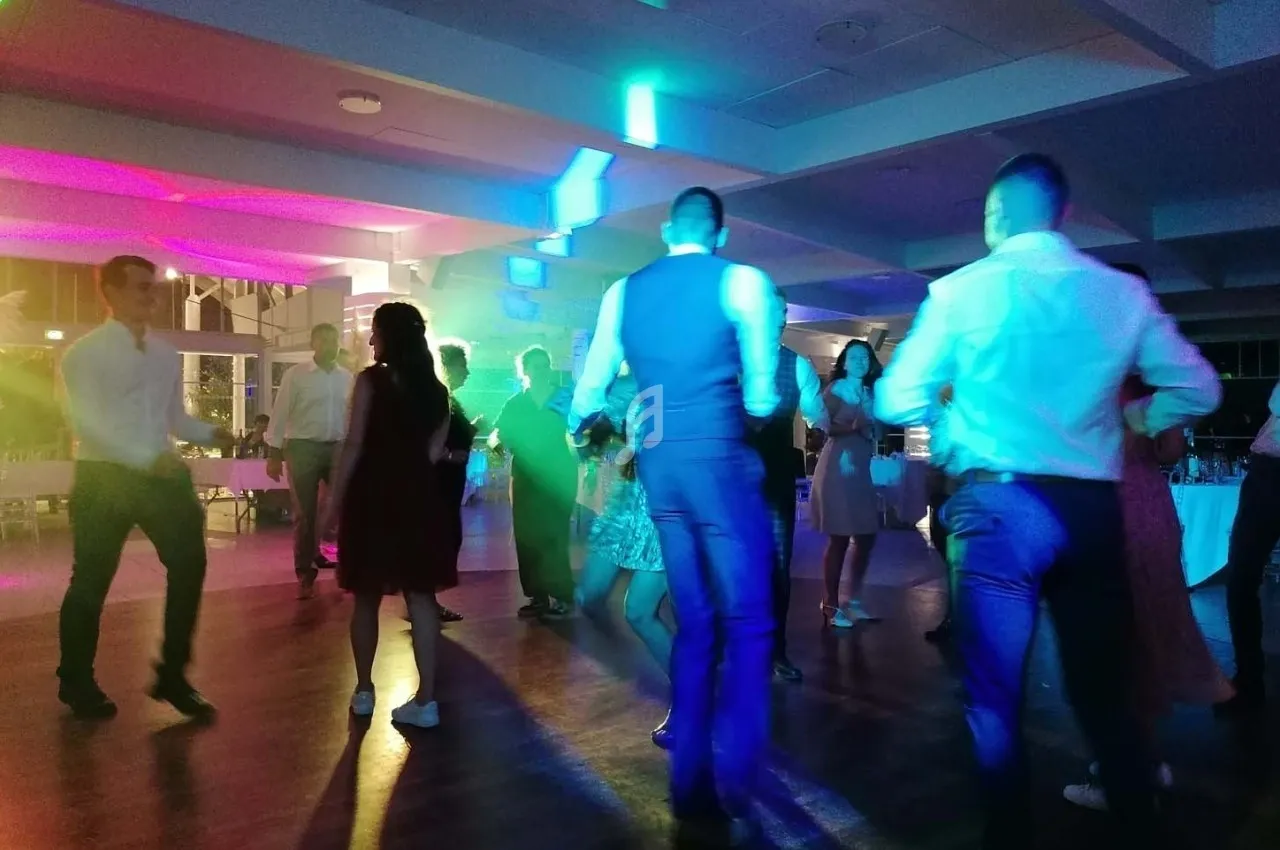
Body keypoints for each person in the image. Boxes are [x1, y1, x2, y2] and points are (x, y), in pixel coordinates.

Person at [875, 154, 1221, 849]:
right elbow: (1201, 389)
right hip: (1090, 508)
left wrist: (949, 435)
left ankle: (1008, 837)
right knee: (1104, 695)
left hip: (998, 508)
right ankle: (1141, 828)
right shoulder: (1119, 292)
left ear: (994, 215)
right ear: (1062, 213)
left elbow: (896, 398)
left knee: (994, 700)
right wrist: (1136, 418)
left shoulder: (960, 291)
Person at [570, 186, 782, 843]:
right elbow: (764, 399)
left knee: (693, 622)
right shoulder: (742, 280)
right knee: (749, 621)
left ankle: (690, 783)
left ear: (666, 230)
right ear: (721, 234)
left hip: (660, 467)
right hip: (717, 460)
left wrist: (591, 430)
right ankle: (738, 778)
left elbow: (587, 393)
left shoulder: (622, 291)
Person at [57, 255, 230, 720]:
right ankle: (75, 680)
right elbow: (86, 426)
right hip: (104, 477)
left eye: (153, 287)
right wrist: (145, 459)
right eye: (141, 287)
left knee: (189, 564)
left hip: (160, 476)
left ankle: (172, 675)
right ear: (110, 292)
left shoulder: (165, 355)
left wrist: (211, 433)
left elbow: (175, 419)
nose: (151, 296)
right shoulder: (83, 354)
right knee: (91, 580)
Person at [326, 302, 454, 728]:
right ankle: (427, 700)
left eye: (375, 331)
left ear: (389, 335)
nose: (370, 340)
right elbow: (433, 454)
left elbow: (354, 444)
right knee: (421, 597)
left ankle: (364, 690)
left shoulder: (371, 381)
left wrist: (332, 503)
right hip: (418, 498)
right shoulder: (437, 392)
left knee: (366, 596)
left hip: (372, 498)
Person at [573, 370, 673, 748]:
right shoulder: (626, 386)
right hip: (625, 504)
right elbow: (591, 441)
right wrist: (583, 434)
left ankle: (691, 697)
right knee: (588, 596)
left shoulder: (687, 379)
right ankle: (644, 661)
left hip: (667, 509)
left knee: (640, 611)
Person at [745, 290, 828, 679]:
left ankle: (775, 650)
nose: (780, 319)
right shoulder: (728, 360)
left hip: (775, 474)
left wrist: (825, 429)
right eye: (772, 312)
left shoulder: (797, 365)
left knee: (777, 565)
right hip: (729, 477)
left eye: (783, 313)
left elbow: (817, 416)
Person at [265, 323, 353, 599]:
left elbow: (351, 414)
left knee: (342, 508)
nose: (330, 346)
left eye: (334, 340)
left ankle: (345, 568)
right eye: (323, 340)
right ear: (313, 343)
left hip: (337, 447)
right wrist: (274, 453)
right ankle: (305, 573)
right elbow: (280, 413)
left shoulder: (347, 377)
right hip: (302, 447)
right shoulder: (296, 375)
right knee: (305, 512)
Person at [490, 346, 577, 620]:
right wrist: (496, 445)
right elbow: (499, 435)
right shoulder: (516, 403)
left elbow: (583, 429)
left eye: (545, 365)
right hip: (526, 477)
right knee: (527, 536)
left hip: (558, 475)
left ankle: (562, 595)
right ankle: (538, 596)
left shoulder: (564, 398)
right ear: (524, 370)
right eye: (535, 366)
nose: (541, 371)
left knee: (555, 533)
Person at [810, 339, 883, 627]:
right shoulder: (836, 390)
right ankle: (830, 603)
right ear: (843, 362)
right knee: (839, 537)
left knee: (867, 536)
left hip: (861, 469)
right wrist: (855, 426)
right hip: (838, 468)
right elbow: (823, 427)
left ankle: (854, 600)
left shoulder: (870, 393)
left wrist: (871, 428)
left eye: (865, 357)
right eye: (854, 357)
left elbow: (876, 431)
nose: (860, 362)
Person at [1219, 377, 1280, 716]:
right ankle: (1248, 681)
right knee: (1240, 578)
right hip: (1267, 471)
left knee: (1242, 580)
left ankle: (1249, 683)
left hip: (1268, 471)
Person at [435, 341, 480, 624]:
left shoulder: (448, 399)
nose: (467, 372)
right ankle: (424, 602)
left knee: (447, 538)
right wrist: (449, 455)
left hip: (449, 483)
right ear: (448, 366)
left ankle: (426, 602)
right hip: (439, 483)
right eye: (463, 365)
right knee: (440, 540)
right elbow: (424, 439)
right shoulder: (437, 398)